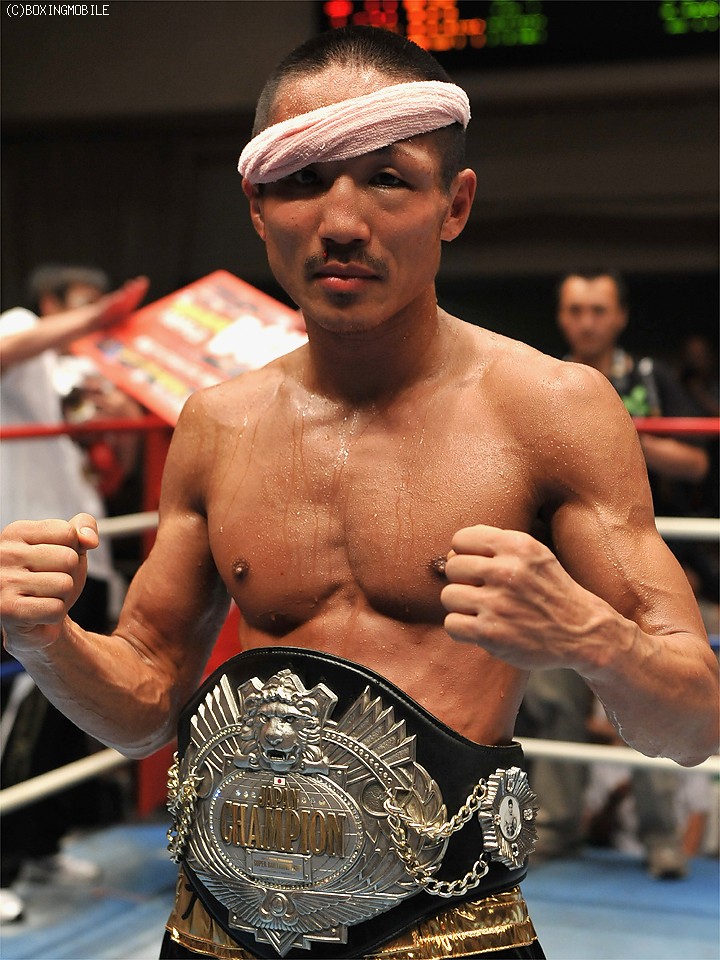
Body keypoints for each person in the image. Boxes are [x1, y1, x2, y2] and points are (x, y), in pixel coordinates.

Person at [0, 26, 717, 960]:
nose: (341, 221)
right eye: (303, 180)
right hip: (212, 937)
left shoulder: (552, 409)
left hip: (454, 938)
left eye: (387, 179)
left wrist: (592, 638)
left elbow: (696, 720)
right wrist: (44, 640)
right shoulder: (215, 423)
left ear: (455, 204)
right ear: (258, 208)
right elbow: (144, 705)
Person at [522, 269, 712, 878]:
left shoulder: (649, 380)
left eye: (598, 310)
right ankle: (558, 827)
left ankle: (661, 836)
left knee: (649, 692)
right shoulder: (542, 382)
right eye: (576, 310)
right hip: (565, 570)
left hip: (649, 569)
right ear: (562, 317)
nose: (587, 322)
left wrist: (615, 434)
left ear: (620, 316)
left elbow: (697, 462)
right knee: (554, 701)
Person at [0, 267, 147, 922]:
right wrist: (98, 320)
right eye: (85, 307)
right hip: (25, 558)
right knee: (18, 713)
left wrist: (118, 416)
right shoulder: (20, 331)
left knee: (65, 717)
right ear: (52, 305)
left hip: (83, 552)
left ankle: (41, 845)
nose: (99, 320)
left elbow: (114, 469)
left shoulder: (75, 376)